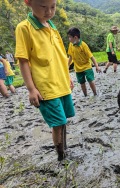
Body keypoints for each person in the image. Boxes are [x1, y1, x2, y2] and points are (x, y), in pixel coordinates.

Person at [15, 0, 75, 161]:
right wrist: (31, 89)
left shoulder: (52, 27)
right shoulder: (24, 28)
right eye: (43, 7)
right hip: (45, 88)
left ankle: (65, 149)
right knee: (57, 122)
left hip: (61, 83)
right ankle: (61, 157)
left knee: (63, 120)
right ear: (28, 3)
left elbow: (60, 56)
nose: (49, 11)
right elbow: (23, 60)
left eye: (53, 7)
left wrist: (67, 76)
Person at [67, 27, 101, 96]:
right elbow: (70, 56)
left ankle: (95, 93)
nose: (69, 39)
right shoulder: (71, 45)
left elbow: (91, 56)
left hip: (87, 66)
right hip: (78, 68)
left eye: (70, 37)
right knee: (82, 83)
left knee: (90, 80)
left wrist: (97, 66)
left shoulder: (83, 45)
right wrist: (67, 66)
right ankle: (85, 95)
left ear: (75, 37)